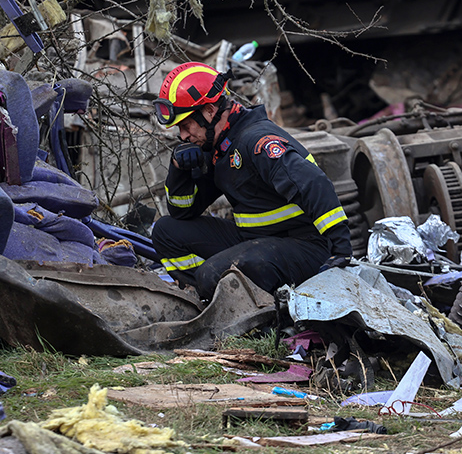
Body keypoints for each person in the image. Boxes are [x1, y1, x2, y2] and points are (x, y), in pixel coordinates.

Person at [151, 62, 352, 300]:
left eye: (186, 125)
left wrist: (340, 250)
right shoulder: (221, 147)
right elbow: (182, 212)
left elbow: (314, 183)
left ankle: (254, 306)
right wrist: (179, 170)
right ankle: (206, 298)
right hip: (256, 239)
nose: (183, 135)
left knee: (212, 275)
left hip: (305, 245)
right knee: (165, 231)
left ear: (209, 111)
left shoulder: (257, 141)